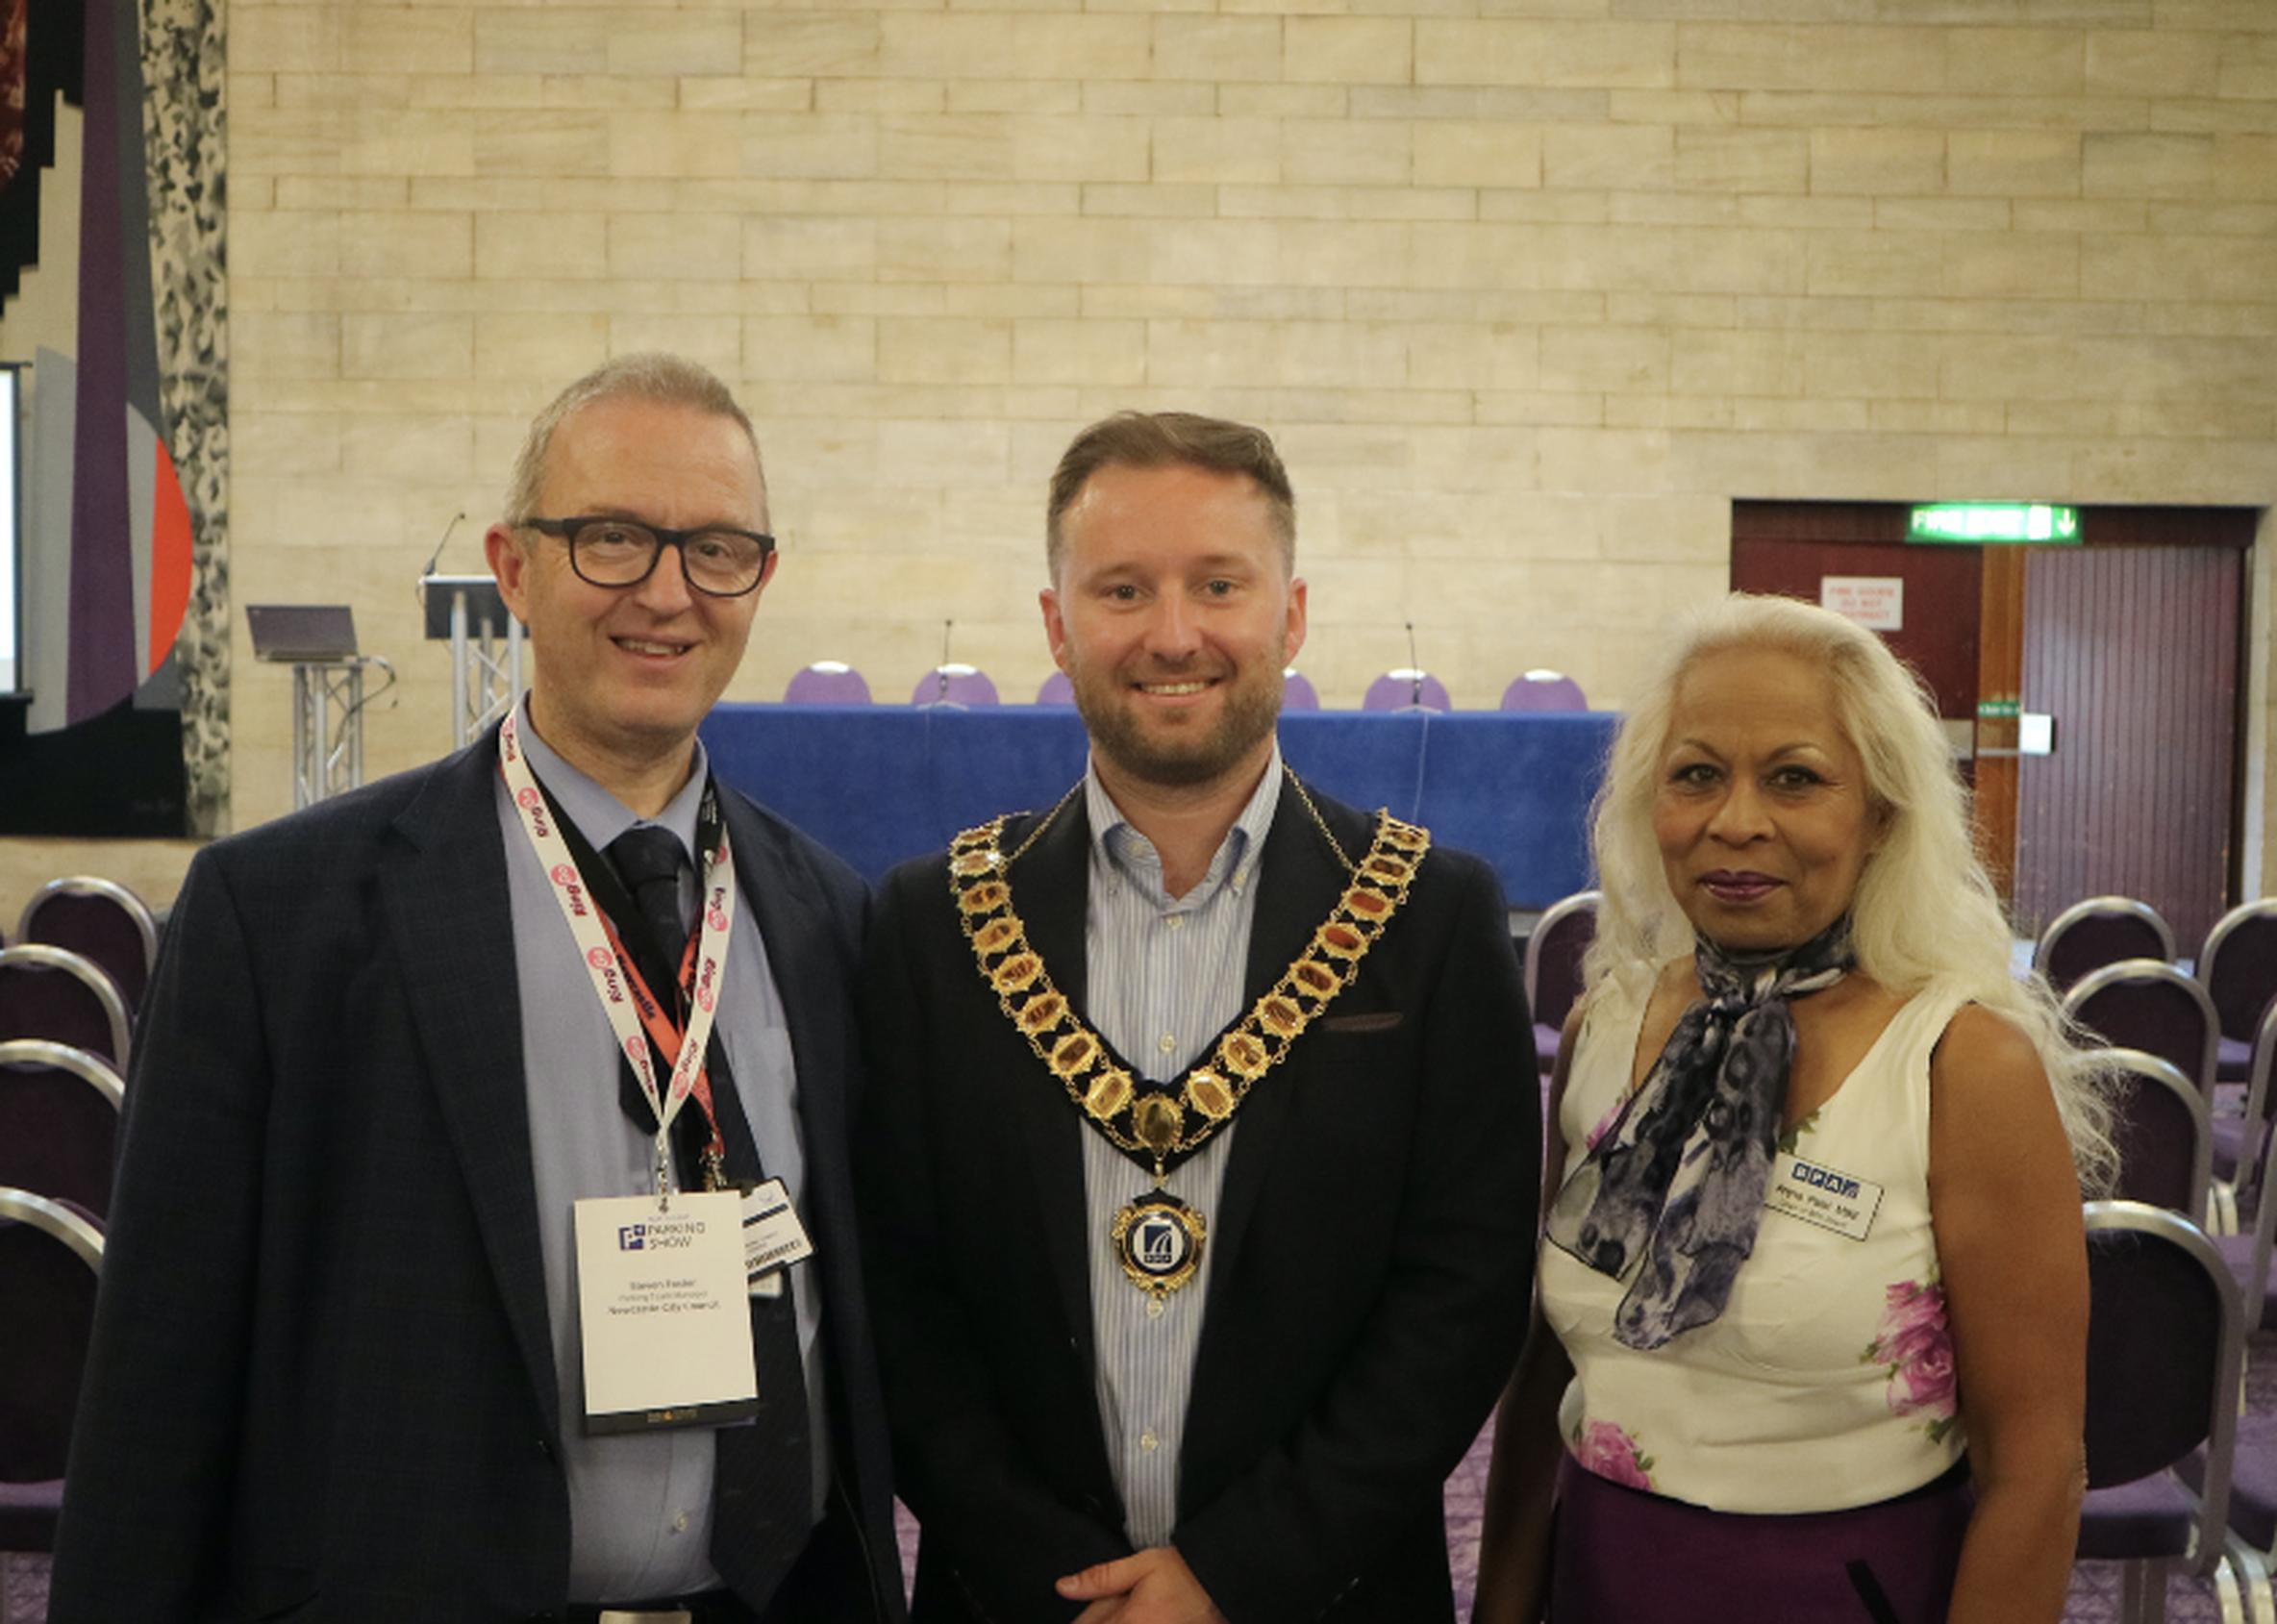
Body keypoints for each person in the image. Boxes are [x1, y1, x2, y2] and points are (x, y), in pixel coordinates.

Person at [50, 354, 905, 1623]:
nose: (667, 591)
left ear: (760, 578)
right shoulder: (281, 920)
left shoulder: (830, 915)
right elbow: (155, 1399)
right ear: (512, 566)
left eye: (717, 547)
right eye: (612, 537)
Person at [860, 410, 1539, 1624]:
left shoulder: (1429, 918)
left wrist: (1237, 1574)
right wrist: (1056, 1582)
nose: (1172, 634)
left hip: (1329, 1594)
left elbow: (1461, 1297)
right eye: (1122, 589)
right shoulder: (935, 925)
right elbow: (897, 1301)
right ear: (1057, 627)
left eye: (1217, 584)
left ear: (1289, 614)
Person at [1472, 592, 2112, 1624]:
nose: (1735, 821)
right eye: (1696, 775)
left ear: (1880, 816)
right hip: (1603, 1569)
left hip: (1844, 1586)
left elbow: (2035, 1470)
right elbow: (1540, 1367)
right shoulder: (1608, 1026)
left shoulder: (1961, 1064)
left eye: (1795, 778)